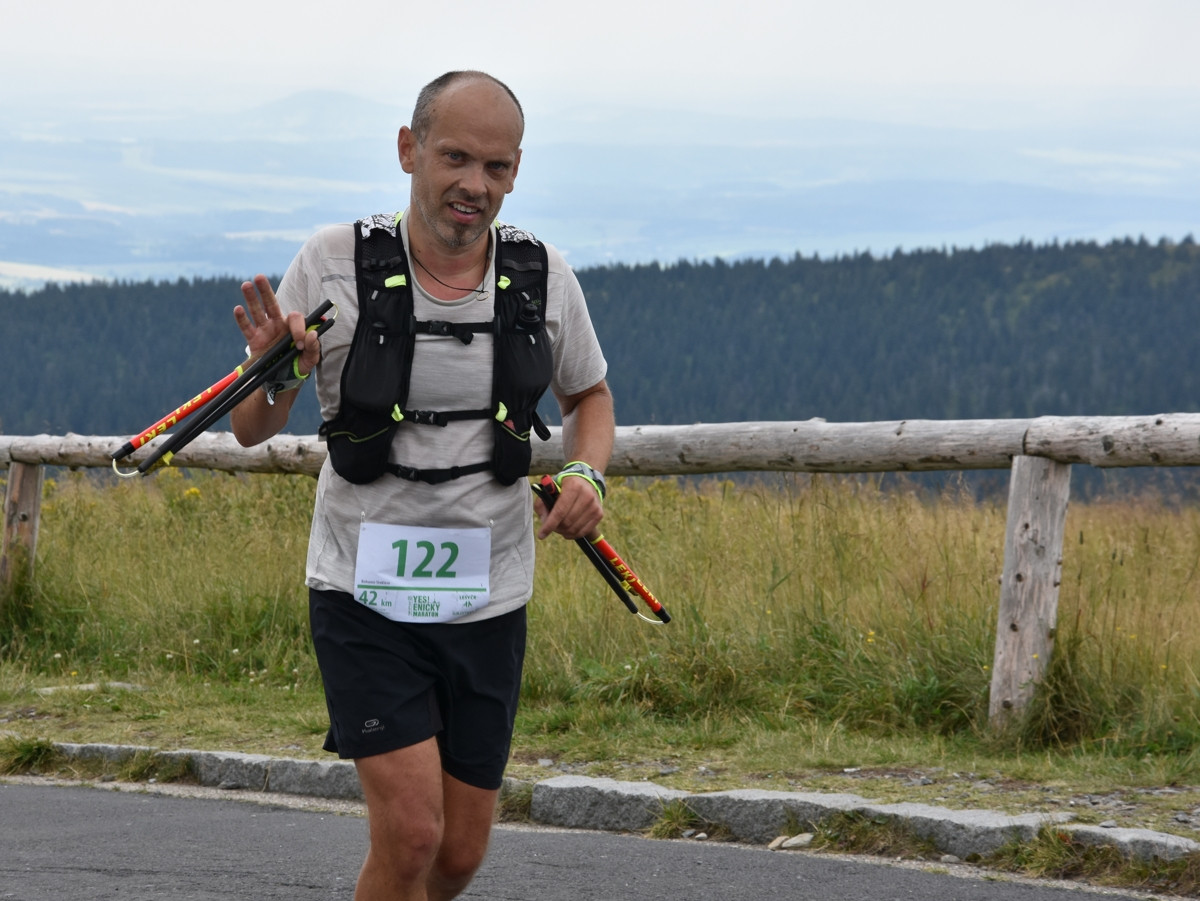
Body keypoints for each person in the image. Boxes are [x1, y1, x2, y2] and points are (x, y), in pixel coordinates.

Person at [230, 70, 614, 901]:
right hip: (361, 591)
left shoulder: (542, 273)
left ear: (516, 171)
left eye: (497, 167)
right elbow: (250, 427)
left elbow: (589, 396)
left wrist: (586, 472)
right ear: (409, 150)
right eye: (455, 158)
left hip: (489, 595)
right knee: (410, 835)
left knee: (459, 854)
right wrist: (277, 373)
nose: (475, 184)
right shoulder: (331, 262)